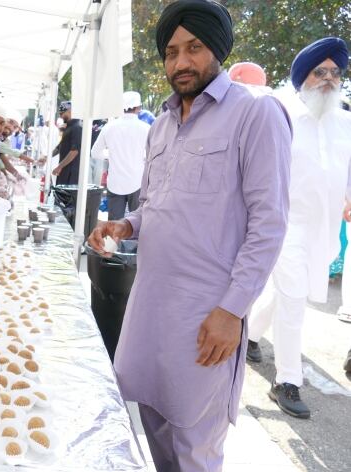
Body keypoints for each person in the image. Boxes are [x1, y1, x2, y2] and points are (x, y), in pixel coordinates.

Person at [88, 1, 292, 470]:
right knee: (152, 422)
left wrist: (231, 311)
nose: (181, 62)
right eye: (172, 51)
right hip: (149, 305)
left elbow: (269, 224)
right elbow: (157, 202)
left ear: (217, 50)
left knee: (195, 445)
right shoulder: (158, 126)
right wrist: (126, 224)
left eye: (194, 48)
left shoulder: (256, 115)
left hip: (206, 316)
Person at [247, 37, 351, 420]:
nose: (328, 79)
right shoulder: (282, 113)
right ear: (303, 76)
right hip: (284, 222)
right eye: (319, 71)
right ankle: (287, 380)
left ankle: (251, 336)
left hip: (324, 227)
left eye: (335, 72)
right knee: (293, 299)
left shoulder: (346, 121)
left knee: (295, 293)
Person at [91, 91, 151, 220]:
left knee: (114, 226)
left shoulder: (109, 127)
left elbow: (95, 153)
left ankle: (113, 241)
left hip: (115, 182)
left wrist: (110, 155)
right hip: (137, 181)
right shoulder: (146, 128)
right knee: (137, 224)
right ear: (138, 108)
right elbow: (151, 155)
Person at [52, 101, 82, 185]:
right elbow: (61, 145)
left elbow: (74, 151)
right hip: (65, 171)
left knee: (66, 196)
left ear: (70, 111)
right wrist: (48, 156)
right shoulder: (69, 126)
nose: (61, 116)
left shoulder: (77, 127)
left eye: (62, 113)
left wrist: (59, 167)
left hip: (71, 173)